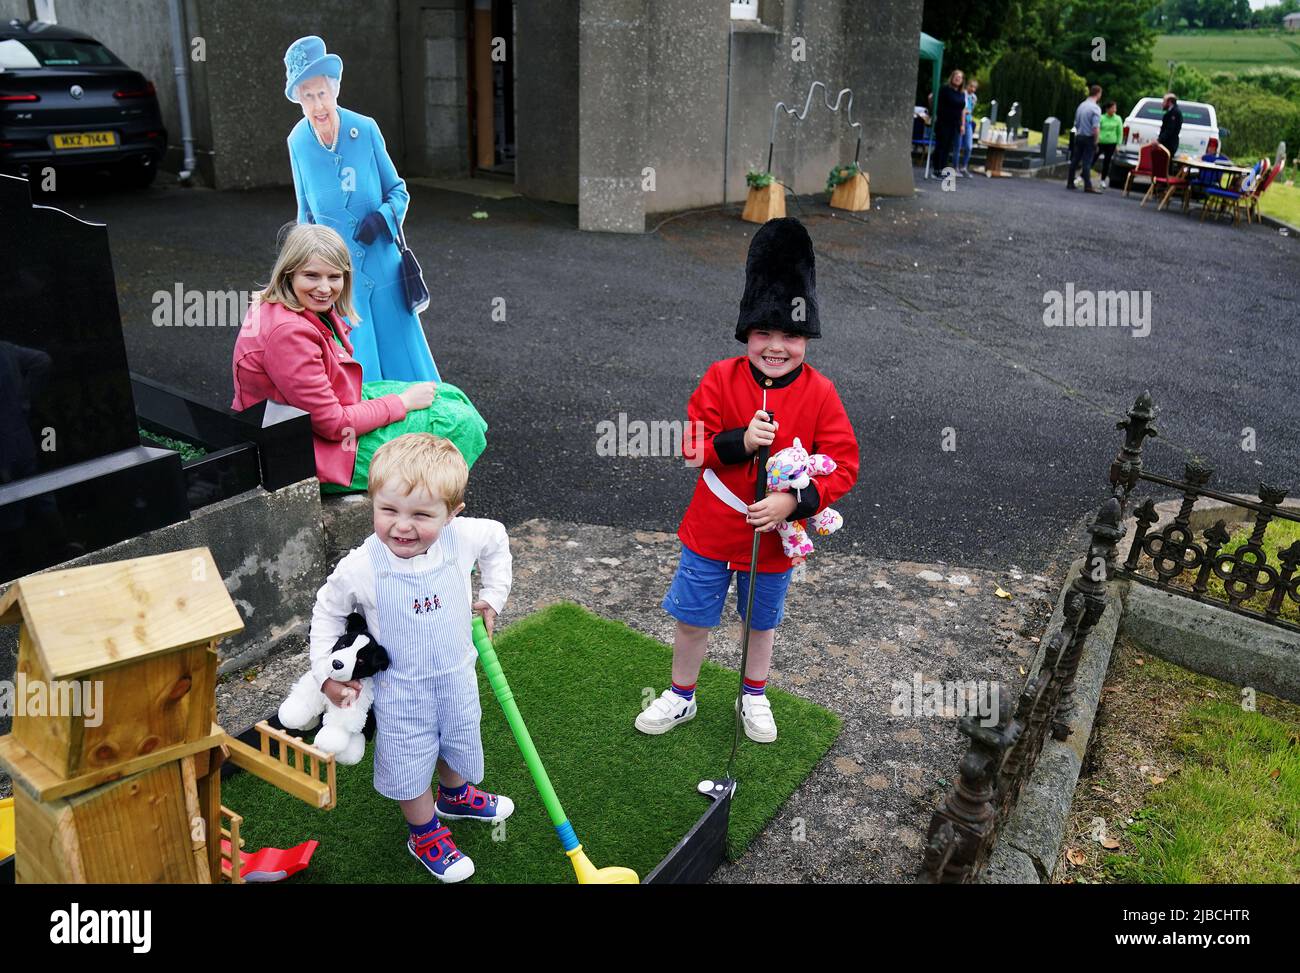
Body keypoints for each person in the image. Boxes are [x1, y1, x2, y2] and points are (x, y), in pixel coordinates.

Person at [634, 218, 859, 744]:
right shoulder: (719, 376)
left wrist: (792, 502)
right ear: (746, 334)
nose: (776, 347)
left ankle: (753, 694)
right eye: (764, 333)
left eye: (790, 335)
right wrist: (738, 442)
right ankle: (681, 695)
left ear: (806, 338)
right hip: (711, 533)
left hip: (771, 542)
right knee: (692, 620)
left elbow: (844, 464)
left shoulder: (822, 392)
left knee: (760, 624)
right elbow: (693, 447)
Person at [310, 433, 513, 883]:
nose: (402, 526)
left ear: (452, 514)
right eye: (389, 511)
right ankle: (423, 831)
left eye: (421, 514)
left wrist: (492, 598)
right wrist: (326, 672)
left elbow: (497, 541)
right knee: (410, 758)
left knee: (459, 736)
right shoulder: (361, 566)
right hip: (401, 691)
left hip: (458, 675)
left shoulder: (462, 538)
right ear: (373, 502)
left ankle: (455, 796)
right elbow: (327, 610)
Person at [231, 224, 487, 493]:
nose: (324, 287)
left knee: (448, 395)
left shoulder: (284, 305)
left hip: (310, 426)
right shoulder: (288, 333)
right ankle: (424, 507)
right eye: (311, 275)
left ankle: (426, 499)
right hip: (313, 453)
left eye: (334, 276)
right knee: (459, 421)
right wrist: (401, 402)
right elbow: (334, 425)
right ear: (288, 273)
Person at [283, 35, 438, 383]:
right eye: (308, 96)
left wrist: (382, 220)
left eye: (322, 93)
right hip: (339, 281)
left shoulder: (365, 130)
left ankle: (418, 434)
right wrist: (299, 277)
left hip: (384, 268)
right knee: (357, 369)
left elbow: (399, 191)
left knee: (405, 362)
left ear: (334, 89)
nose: (317, 104)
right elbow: (304, 217)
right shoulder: (297, 142)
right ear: (299, 100)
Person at [1067, 84, 1104, 194]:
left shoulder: (1081, 105)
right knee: (1087, 162)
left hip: (1079, 136)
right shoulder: (1095, 108)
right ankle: (1088, 186)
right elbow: (1095, 127)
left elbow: (1076, 123)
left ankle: (1070, 182)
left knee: (1075, 160)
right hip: (1089, 137)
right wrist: (1096, 141)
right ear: (1098, 93)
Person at [932, 70, 966, 177]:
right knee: (941, 146)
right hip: (943, 122)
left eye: (960, 77)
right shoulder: (945, 89)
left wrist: (962, 125)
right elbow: (935, 101)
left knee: (948, 148)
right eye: (956, 76)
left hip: (955, 124)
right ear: (952, 77)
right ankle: (936, 170)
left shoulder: (961, 93)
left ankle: (943, 169)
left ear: (962, 81)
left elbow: (962, 110)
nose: (958, 79)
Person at [1096, 100, 1122, 189]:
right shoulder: (1102, 118)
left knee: (1107, 162)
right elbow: (1098, 128)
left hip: (1111, 143)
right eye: (1113, 108)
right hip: (1101, 142)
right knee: (1093, 158)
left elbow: (1120, 132)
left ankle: (1103, 180)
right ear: (1108, 109)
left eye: (1115, 108)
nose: (1115, 110)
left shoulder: (1118, 119)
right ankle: (1083, 176)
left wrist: (1118, 144)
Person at [957, 78, 979, 177]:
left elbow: (970, 110)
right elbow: (962, 109)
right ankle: (955, 167)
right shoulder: (962, 94)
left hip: (969, 122)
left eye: (975, 87)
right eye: (971, 86)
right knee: (958, 146)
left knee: (969, 147)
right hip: (961, 121)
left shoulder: (974, 97)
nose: (973, 89)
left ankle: (964, 167)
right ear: (967, 86)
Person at [1158, 92, 1183, 160]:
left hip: (1169, 144)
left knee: (1165, 165)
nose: (1162, 104)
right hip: (1166, 144)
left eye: (1164, 101)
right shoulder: (1171, 112)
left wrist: (1159, 140)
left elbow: (1169, 130)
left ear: (1169, 102)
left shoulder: (1174, 113)